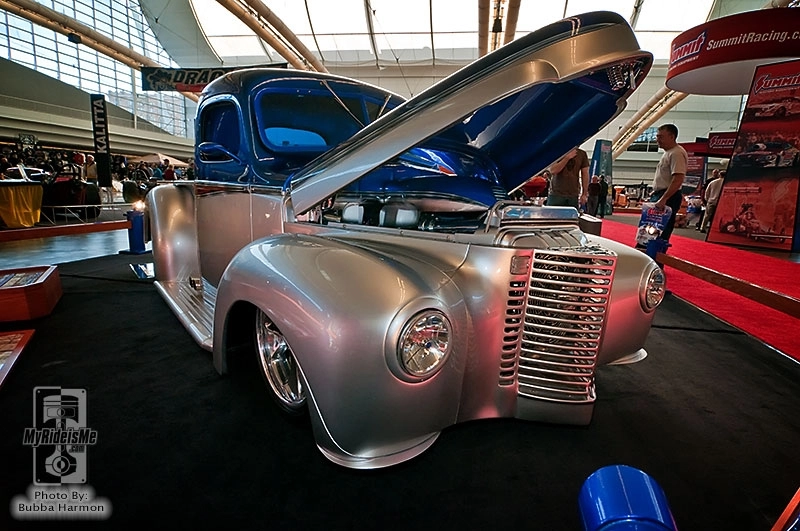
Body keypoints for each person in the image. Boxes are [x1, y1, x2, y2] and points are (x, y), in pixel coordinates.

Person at [648, 124, 687, 241]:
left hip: (668, 197)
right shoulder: (669, 152)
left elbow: (678, 178)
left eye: (661, 137)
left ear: (672, 136)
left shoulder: (676, 153)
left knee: (659, 232)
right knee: (650, 231)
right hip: (662, 194)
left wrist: (664, 198)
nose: (657, 140)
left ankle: (656, 251)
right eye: (657, 136)